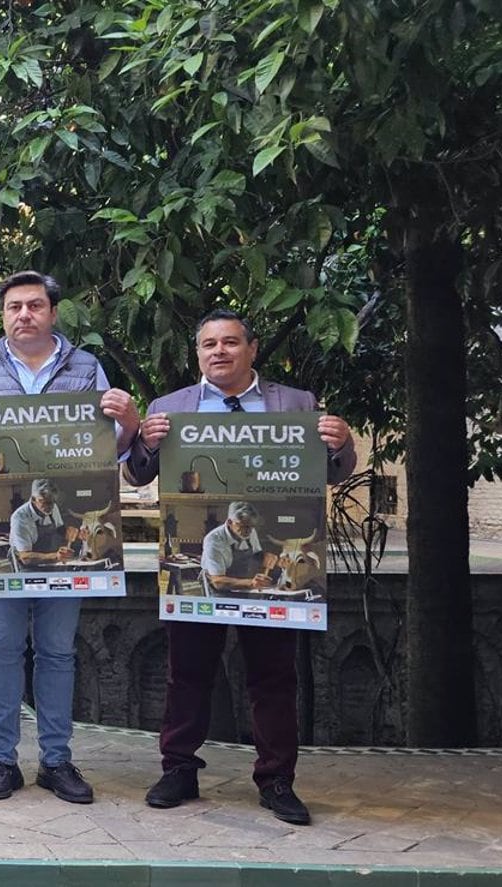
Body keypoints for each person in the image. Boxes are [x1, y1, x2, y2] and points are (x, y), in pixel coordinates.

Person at [125, 307, 355, 827]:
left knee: (274, 677)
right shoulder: (170, 406)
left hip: (273, 566)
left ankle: (277, 779)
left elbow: (335, 470)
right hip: (199, 576)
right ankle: (178, 769)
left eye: (230, 342)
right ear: (198, 354)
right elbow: (138, 474)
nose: (219, 352)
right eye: (209, 345)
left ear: (252, 349)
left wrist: (341, 444)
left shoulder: (295, 404)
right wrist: (146, 443)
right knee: (186, 675)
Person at [0, 271, 141, 804]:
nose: (23, 315)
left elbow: (113, 449)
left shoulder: (86, 368)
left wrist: (130, 422)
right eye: (13, 307)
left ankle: (56, 760)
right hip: (0, 540)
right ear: (2, 316)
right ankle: (1, 760)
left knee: (56, 652)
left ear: (52, 312)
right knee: (1, 648)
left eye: (34, 306)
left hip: (69, 540)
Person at [200, 502, 276, 596]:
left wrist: (266, 557)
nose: (248, 531)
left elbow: (256, 554)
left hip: (242, 585)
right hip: (219, 588)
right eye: (243, 526)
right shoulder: (214, 540)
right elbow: (217, 581)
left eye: (251, 527)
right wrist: (251, 583)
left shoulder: (250, 531)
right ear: (230, 522)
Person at [9, 480, 73, 568]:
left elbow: (60, 529)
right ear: (33, 499)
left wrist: (70, 532)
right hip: (27, 566)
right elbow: (25, 557)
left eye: (53, 502)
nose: (50, 506)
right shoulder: (20, 518)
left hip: (51, 561)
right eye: (45, 502)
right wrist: (54, 556)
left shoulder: (53, 507)